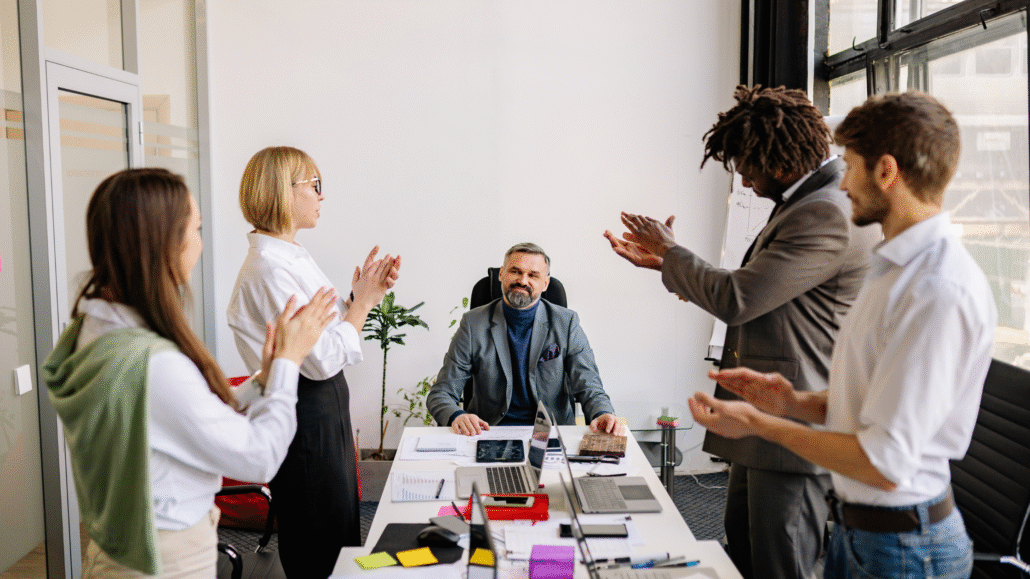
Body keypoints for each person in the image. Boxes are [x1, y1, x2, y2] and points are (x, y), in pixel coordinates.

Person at [690, 91, 996, 579]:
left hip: (904, 550)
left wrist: (760, 424)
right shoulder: (893, 267)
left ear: (886, 172)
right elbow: (874, 403)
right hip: (864, 533)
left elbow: (882, 461)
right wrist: (792, 402)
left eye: (849, 165)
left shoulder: (937, 290)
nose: (841, 182)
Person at [605, 85, 880, 579]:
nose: (746, 185)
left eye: (747, 170)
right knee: (744, 554)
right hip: (765, 418)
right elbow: (763, 293)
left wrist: (670, 252)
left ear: (778, 163)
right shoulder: (806, 199)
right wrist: (670, 268)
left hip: (794, 426)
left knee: (780, 566)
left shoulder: (824, 211)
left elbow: (739, 299)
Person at [41, 168, 336, 578]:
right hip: (165, 558)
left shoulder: (89, 333)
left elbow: (179, 415)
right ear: (168, 244)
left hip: (114, 546)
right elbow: (260, 457)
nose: (200, 244)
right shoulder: (152, 363)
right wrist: (288, 363)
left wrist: (262, 380)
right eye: (196, 229)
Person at [227, 146, 399, 579]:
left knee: (340, 537)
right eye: (315, 186)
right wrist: (361, 309)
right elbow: (319, 358)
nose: (323, 196)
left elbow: (324, 327)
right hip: (305, 415)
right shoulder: (268, 268)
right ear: (284, 192)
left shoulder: (292, 254)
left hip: (324, 412)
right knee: (319, 548)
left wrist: (360, 296)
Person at [427, 242, 624, 436]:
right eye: (515, 271)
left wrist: (603, 413)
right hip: (489, 433)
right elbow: (441, 393)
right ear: (501, 274)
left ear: (545, 284)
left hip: (551, 435)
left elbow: (589, 385)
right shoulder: (473, 324)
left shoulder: (567, 323)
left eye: (533, 275)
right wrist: (457, 416)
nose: (522, 280)